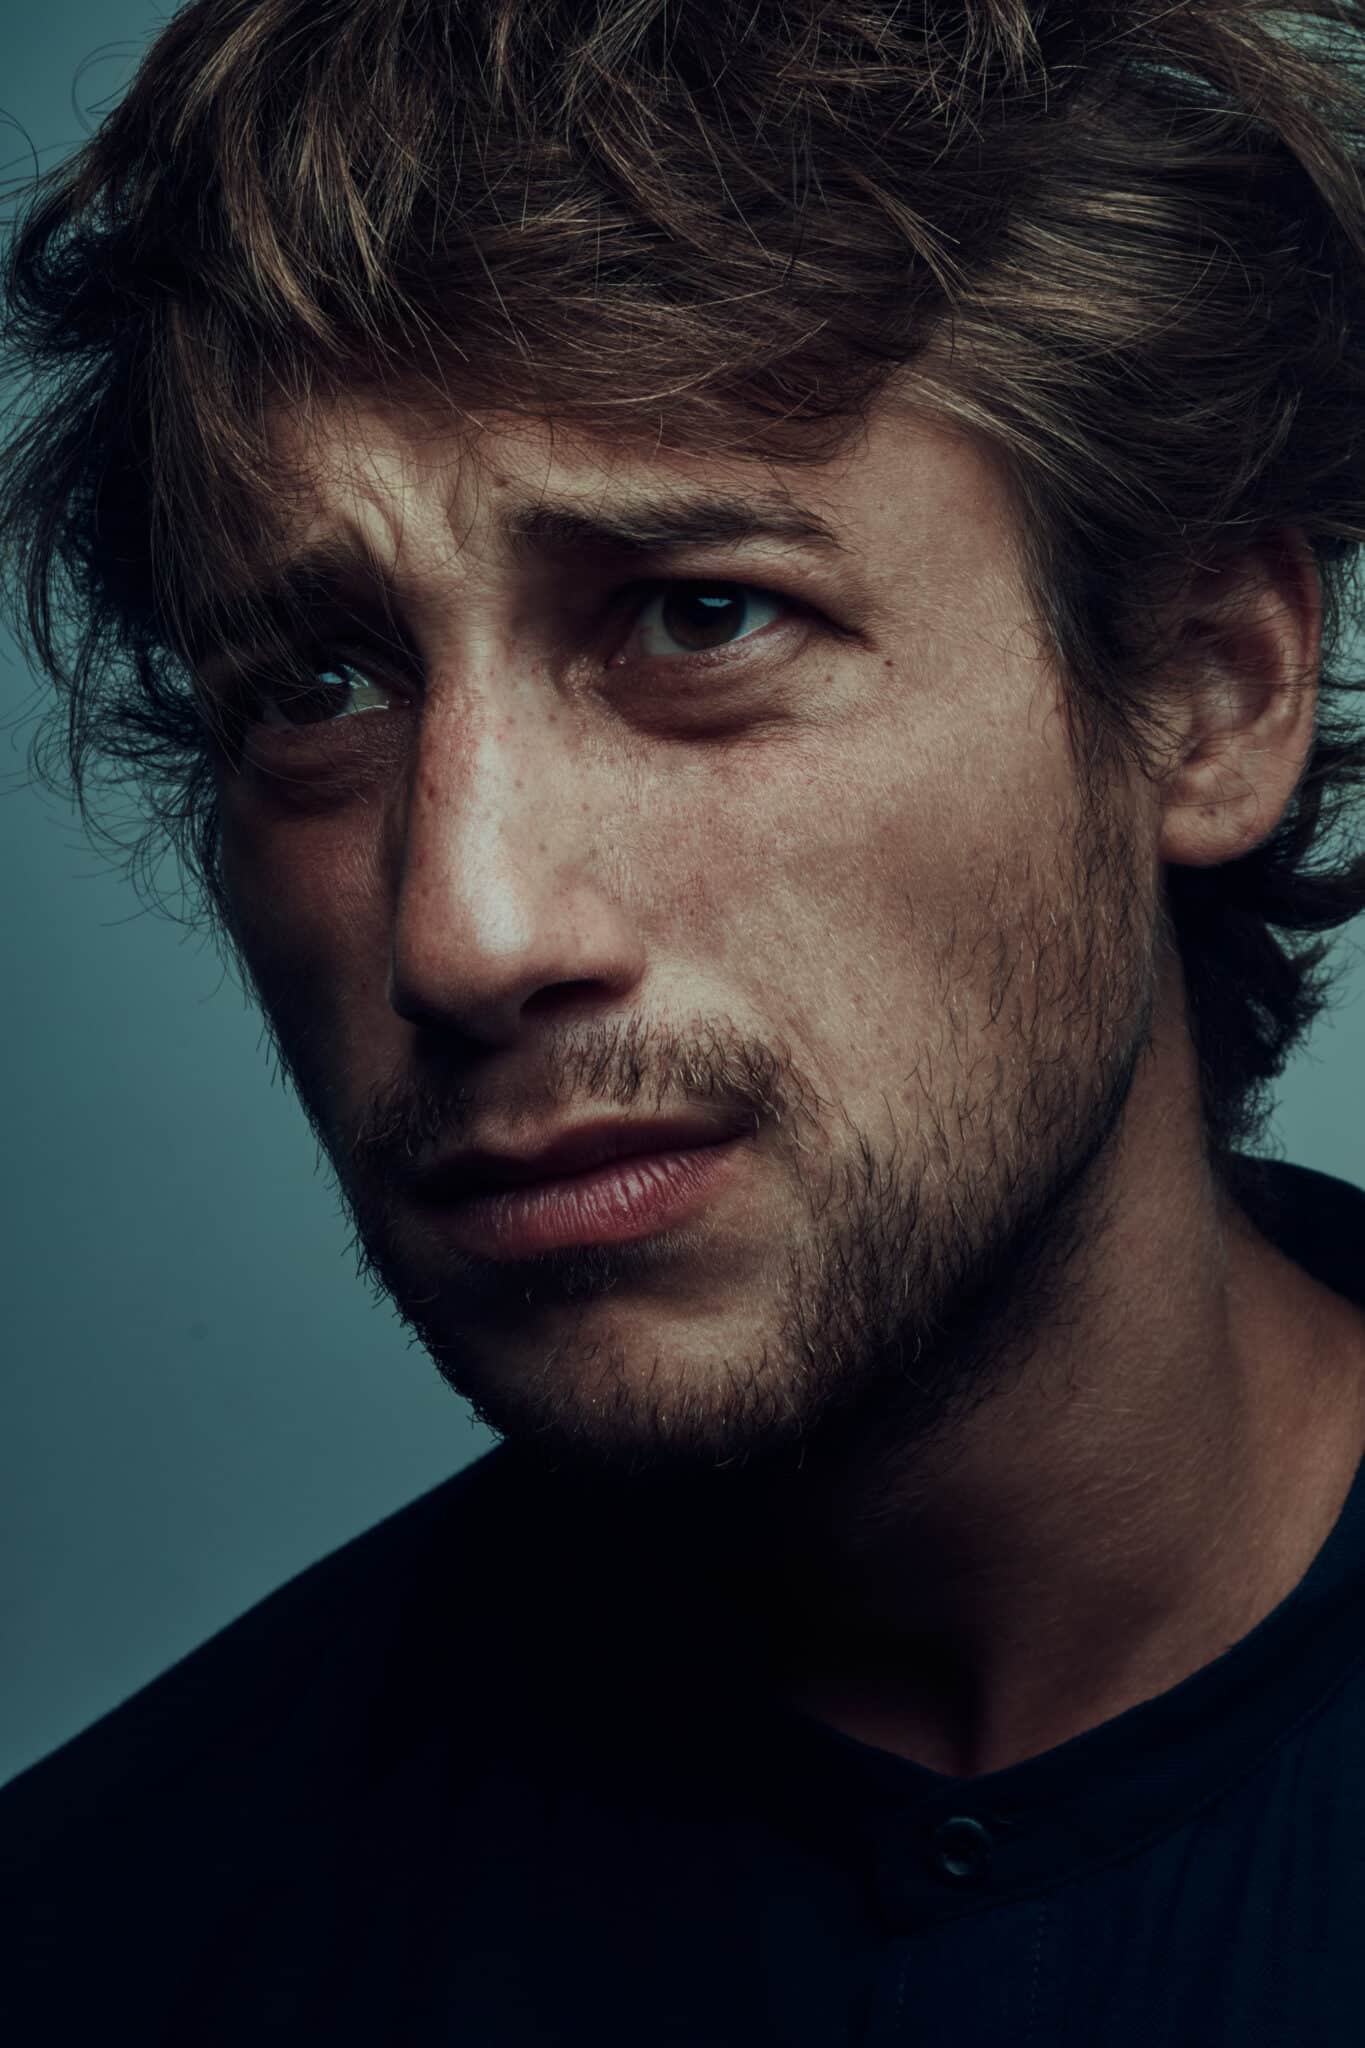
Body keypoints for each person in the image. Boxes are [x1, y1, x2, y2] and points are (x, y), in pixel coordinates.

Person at [4, 0, 1365, 2038]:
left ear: (1206, 690)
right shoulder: (101, 1945)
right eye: (320, 689)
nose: (461, 932)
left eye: (698, 614)